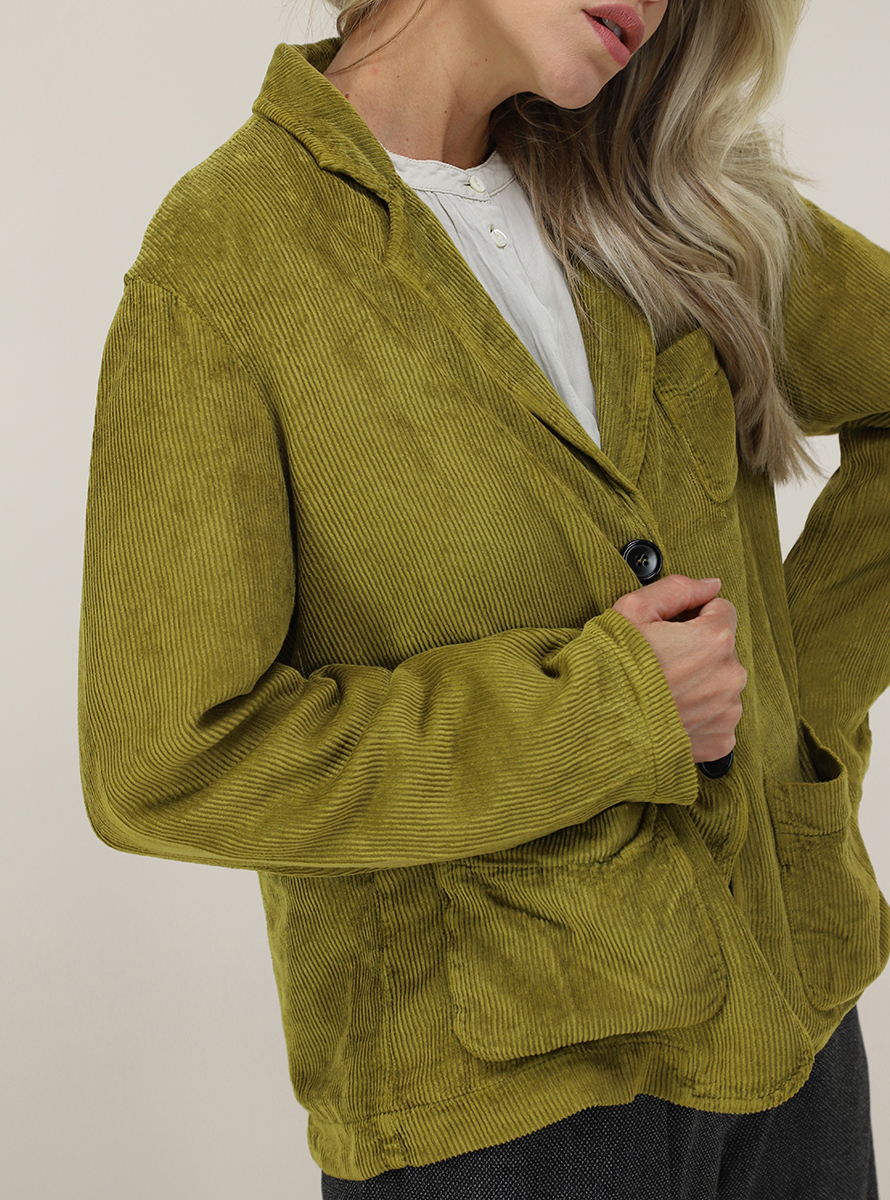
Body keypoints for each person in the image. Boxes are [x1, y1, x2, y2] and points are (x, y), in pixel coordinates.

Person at [78, 0, 890, 1194]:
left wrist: (781, 701)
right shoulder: (228, 259)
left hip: (790, 1042)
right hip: (492, 1114)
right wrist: (607, 714)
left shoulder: (663, 193)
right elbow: (163, 763)